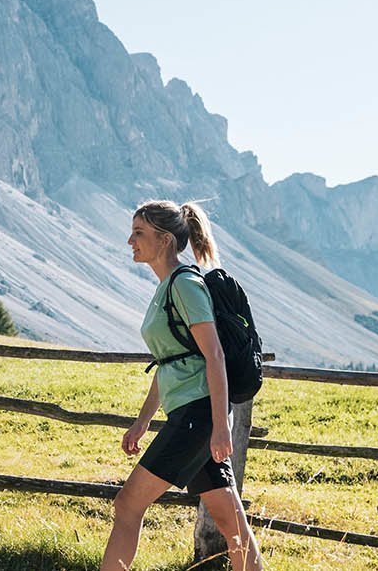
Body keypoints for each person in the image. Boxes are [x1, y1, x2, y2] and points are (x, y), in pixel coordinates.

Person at [102, 200, 263, 571]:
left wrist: (221, 428)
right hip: (194, 411)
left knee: (127, 505)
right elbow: (172, 361)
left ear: (164, 239)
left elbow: (215, 356)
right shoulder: (167, 287)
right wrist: (143, 420)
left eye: (138, 232)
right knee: (230, 522)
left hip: (198, 415)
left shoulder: (186, 285)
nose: (130, 240)